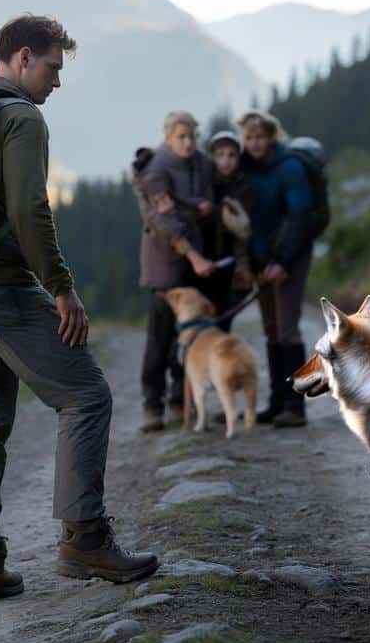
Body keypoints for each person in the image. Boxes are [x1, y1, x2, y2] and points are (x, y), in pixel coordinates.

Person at [0, 15, 158, 602]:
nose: (57, 81)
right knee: (85, 395)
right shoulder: (19, 118)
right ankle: (84, 538)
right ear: (25, 57)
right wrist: (61, 287)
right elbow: (31, 211)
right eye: (54, 67)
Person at [131, 111, 216, 433]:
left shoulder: (201, 163)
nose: (188, 143)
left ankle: (182, 400)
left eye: (192, 136)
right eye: (181, 137)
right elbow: (161, 221)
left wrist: (197, 205)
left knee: (190, 336)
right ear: (168, 138)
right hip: (164, 265)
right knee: (161, 336)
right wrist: (194, 255)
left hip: (196, 261)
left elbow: (208, 199)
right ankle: (152, 404)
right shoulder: (155, 170)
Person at [237, 111, 315, 428]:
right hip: (261, 259)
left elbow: (300, 217)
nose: (254, 143)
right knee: (270, 328)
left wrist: (282, 262)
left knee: (287, 329)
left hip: (290, 258)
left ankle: (296, 405)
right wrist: (256, 263)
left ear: (271, 137)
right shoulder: (245, 169)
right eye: (249, 138)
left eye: (259, 137)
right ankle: (277, 401)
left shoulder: (290, 167)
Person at [198, 129, 257, 332]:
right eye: (220, 155)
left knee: (222, 322)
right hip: (202, 263)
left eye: (231, 155)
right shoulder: (203, 184)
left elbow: (244, 232)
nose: (226, 161)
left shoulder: (245, 187)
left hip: (230, 264)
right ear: (212, 157)